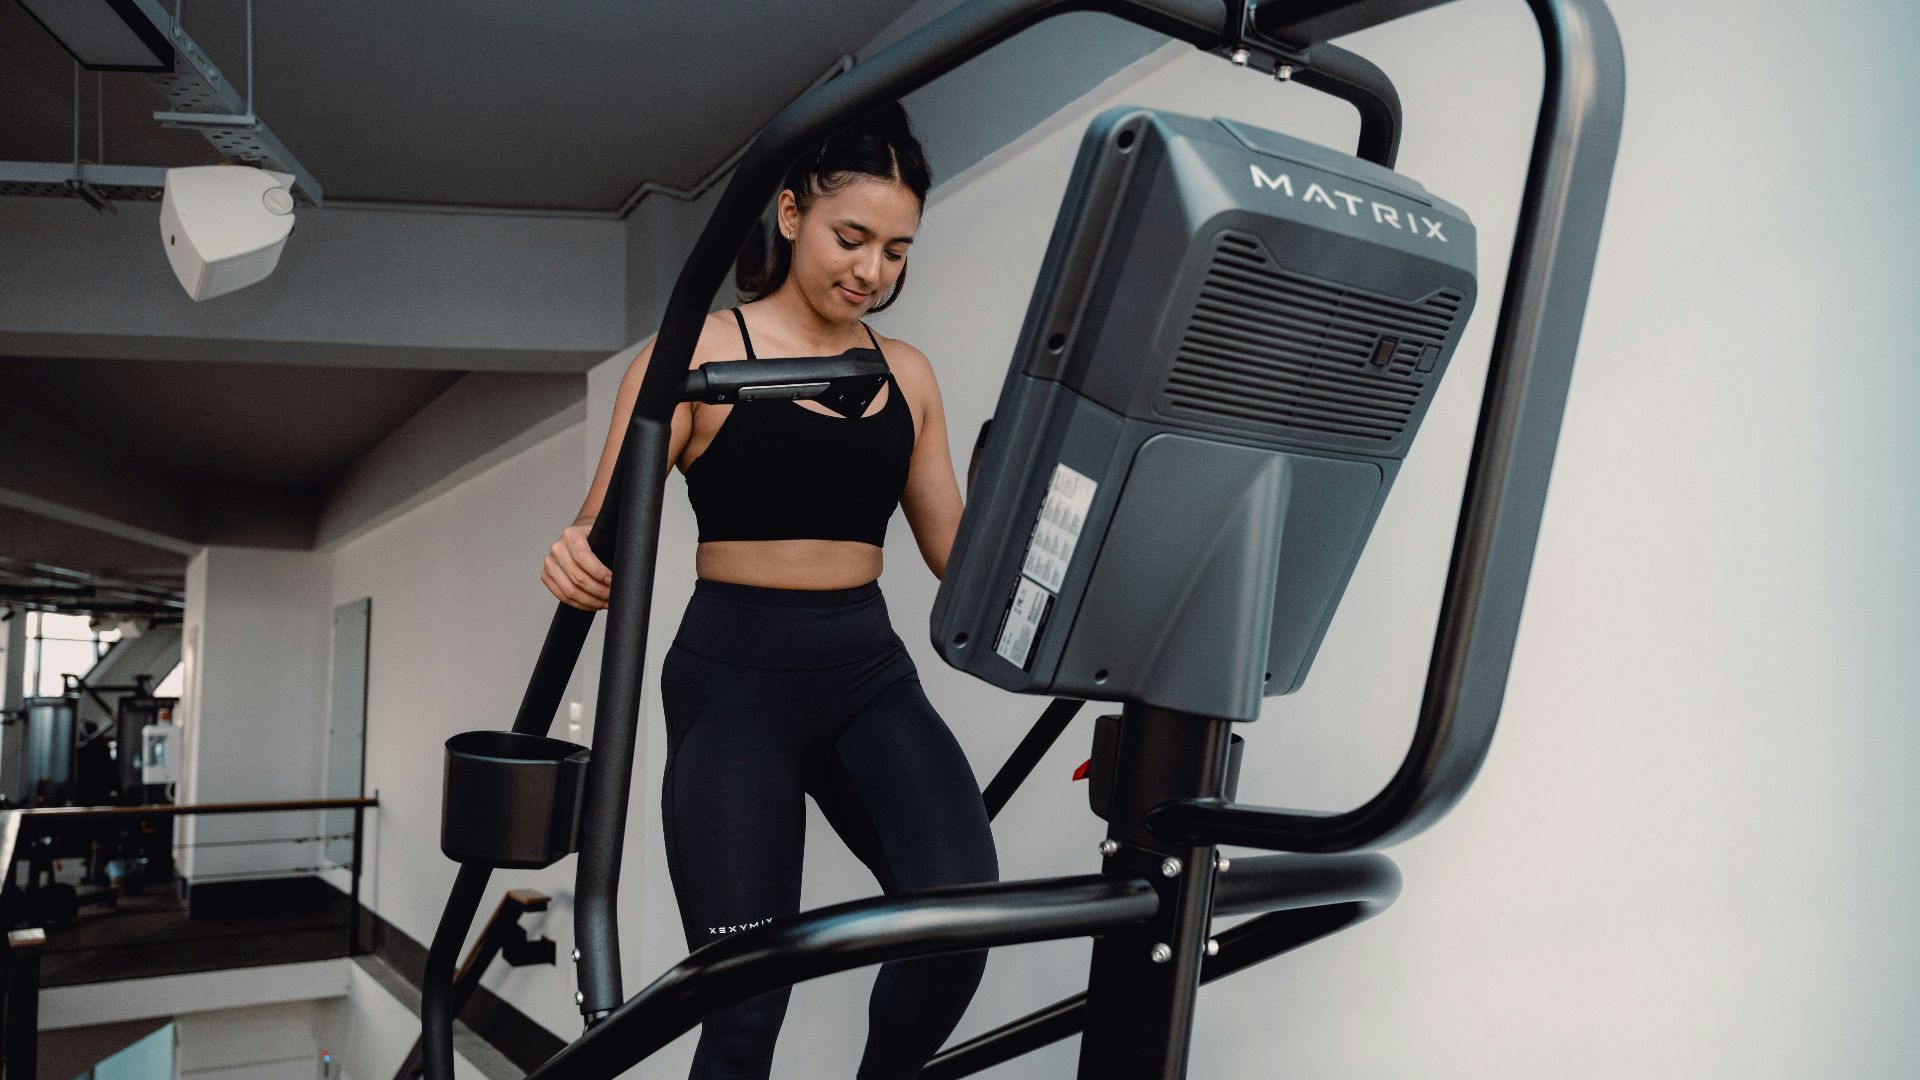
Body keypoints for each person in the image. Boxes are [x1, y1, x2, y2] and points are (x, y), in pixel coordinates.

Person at [539, 101, 998, 1080]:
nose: (872, 270)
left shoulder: (906, 372)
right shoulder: (697, 359)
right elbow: (598, 526)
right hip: (732, 683)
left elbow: (954, 548)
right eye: (853, 237)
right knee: (743, 1007)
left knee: (959, 928)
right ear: (789, 215)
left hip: (867, 671)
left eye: (896, 250)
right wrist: (573, 554)